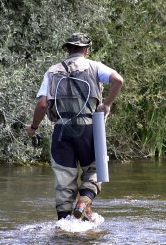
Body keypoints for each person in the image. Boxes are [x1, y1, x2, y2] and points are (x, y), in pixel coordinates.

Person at [26, 32, 123, 221]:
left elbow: (42, 105)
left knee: (64, 180)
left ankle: (64, 224)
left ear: (68, 49)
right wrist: (107, 104)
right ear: (86, 50)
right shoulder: (94, 66)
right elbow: (118, 80)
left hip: (62, 131)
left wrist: (33, 127)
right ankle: (84, 201)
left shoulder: (52, 71)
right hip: (89, 129)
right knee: (95, 169)